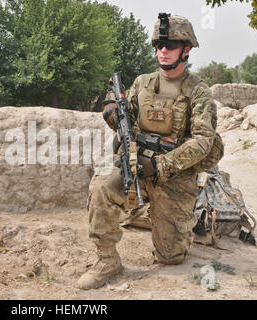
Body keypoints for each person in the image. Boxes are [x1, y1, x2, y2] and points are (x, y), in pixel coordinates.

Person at [76, 13, 217, 290]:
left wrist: (161, 166)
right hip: (135, 162)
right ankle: (107, 260)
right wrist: (111, 113)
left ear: (186, 49)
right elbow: (122, 114)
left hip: (174, 175)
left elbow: (203, 141)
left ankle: (170, 219)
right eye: (159, 45)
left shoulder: (198, 91)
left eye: (171, 45)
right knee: (102, 187)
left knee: (170, 258)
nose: (163, 51)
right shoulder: (142, 83)